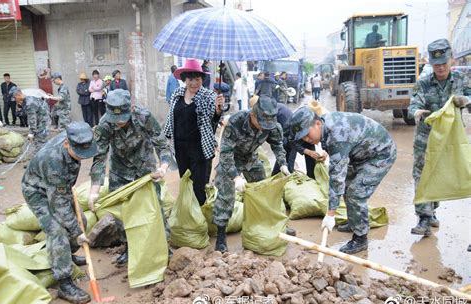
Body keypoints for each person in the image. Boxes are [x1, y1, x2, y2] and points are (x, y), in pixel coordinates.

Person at [289, 106, 397, 254]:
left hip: (380, 154)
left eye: (307, 135)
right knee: (347, 187)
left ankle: (360, 238)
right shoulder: (326, 125)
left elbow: (336, 177)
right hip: (359, 154)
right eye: (303, 137)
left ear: (317, 124)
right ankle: (355, 222)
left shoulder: (337, 134)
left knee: (356, 194)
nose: (306, 139)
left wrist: (330, 214)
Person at [88, 89, 172, 265]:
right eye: (114, 118)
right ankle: (128, 247)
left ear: (131, 108)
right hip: (120, 171)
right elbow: (99, 158)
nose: (118, 122)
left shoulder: (144, 117)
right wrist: (94, 190)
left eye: (122, 118)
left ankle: (163, 244)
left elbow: (162, 145)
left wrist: (163, 167)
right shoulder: (104, 125)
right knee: (122, 213)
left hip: (145, 169)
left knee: (154, 207)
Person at [21, 122, 97, 304]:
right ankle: (64, 283)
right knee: (58, 231)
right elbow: (59, 207)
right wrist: (77, 233)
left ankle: (65, 256)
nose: (82, 157)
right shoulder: (53, 160)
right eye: (78, 153)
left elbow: (62, 193)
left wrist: (78, 229)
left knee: (81, 222)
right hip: (38, 192)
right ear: (66, 144)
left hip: (60, 188)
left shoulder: (79, 138)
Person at [212, 95, 292, 253]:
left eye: (268, 125)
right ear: (253, 115)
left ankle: (273, 224)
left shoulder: (273, 126)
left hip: (251, 158)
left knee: (263, 192)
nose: (264, 128)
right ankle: (221, 236)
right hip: (231, 160)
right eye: (262, 123)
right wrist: (235, 177)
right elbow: (225, 153)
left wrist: (283, 163)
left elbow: (277, 145)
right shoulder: (236, 121)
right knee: (226, 195)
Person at [407, 39, 470, 237]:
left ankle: (432, 209)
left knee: (442, 172)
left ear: (451, 60)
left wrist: (467, 100)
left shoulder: (461, 79)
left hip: (451, 138)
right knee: (422, 173)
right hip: (426, 138)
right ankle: (424, 217)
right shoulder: (423, 83)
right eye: (436, 65)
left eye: (443, 63)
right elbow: (412, 107)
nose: (440, 68)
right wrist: (417, 113)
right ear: (431, 64)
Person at [164, 59, 223, 206]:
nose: (194, 83)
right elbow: (171, 117)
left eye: (197, 79)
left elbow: (213, 118)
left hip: (200, 149)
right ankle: (189, 217)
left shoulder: (208, 96)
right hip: (180, 148)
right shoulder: (177, 94)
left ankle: (201, 220)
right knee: (185, 183)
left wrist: (218, 109)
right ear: (184, 79)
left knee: (199, 187)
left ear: (202, 79)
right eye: (190, 79)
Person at [10, 87, 50, 154]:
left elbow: (32, 118)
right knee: (40, 142)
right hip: (40, 120)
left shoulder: (29, 103)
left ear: (17, 95)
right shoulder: (26, 99)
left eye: (14, 98)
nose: (15, 100)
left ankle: (41, 159)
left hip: (42, 122)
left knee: (41, 142)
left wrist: (31, 132)